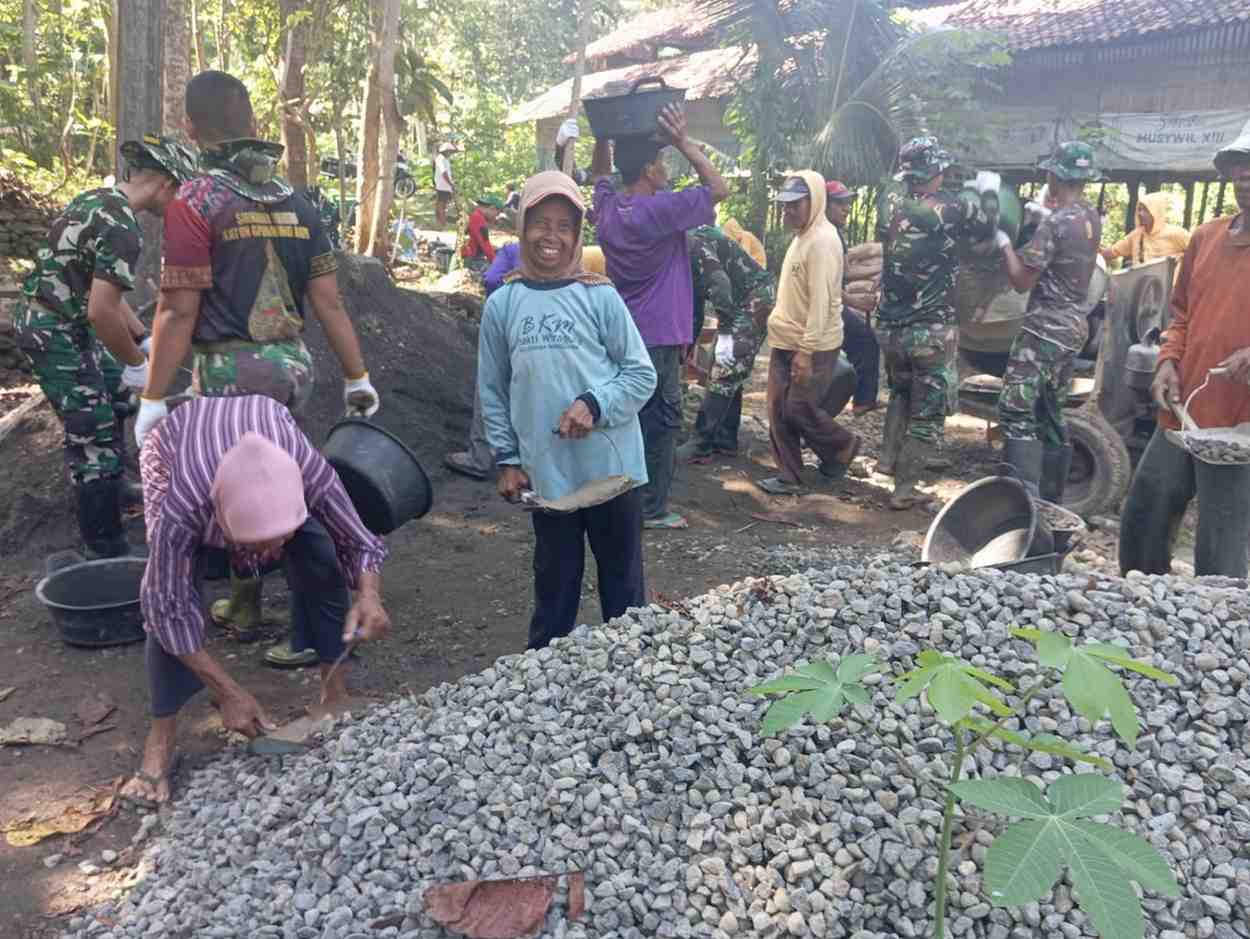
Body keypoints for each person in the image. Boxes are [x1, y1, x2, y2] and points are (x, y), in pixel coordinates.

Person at [140, 70, 380, 668]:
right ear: (252, 124)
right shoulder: (298, 200)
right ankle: (276, 615)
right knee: (281, 488)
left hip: (228, 378)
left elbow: (176, 309)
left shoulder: (195, 202)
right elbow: (328, 302)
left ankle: (307, 633)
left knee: (241, 494)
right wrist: (357, 377)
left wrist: (152, 399)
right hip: (293, 369)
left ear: (191, 129)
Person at [120, 394, 390, 805]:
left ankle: (335, 697)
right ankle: (160, 741)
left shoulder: (309, 471)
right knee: (173, 591)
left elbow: (356, 538)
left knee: (320, 558)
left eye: (280, 540)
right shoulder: (183, 506)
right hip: (175, 449)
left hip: (266, 428)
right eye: (254, 546)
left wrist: (369, 595)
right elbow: (165, 609)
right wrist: (227, 691)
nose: (270, 556)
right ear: (222, 524)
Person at [478, 172, 657, 649]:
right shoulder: (504, 304)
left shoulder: (599, 296)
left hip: (611, 470)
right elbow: (492, 389)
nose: (550, 236)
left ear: (578, 235)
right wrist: (507, 459)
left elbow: (642, 374)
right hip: (549, 474)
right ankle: (539, 683)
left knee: (625, 595)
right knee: (555, 589)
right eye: (540, 223)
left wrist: (594, 404)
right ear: (522, 228)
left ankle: (636, 677)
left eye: (563, 226)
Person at [14, 135, 197, 558]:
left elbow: (109, 299)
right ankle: (104, 545)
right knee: (92, 429)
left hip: (62, 317)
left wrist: (140, 338)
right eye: (180, 193)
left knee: (115, 395)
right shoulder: (122, 228)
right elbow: (100, 312)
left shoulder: (98, 199)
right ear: (167, 185)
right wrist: (136, 364)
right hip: (53, 327)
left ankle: (113, 487)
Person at [590, 103, 729, 529]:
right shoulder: (662, 210)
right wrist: (684, 141)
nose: (667, 166)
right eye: (662, 160)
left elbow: (600, 176)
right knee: (663, 417)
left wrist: (602, 135)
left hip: (621, 329)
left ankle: (614, 495)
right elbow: (719, 189)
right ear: (650, 170)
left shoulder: (609, 208)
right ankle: (651, 509)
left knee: (622, 413)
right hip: (660, 335)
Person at [1119, 132, 1250, 577]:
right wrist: (1168, 361)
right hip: (1185, 409)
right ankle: (1136, 601)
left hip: (1240, 427)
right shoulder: (1207, 237)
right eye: (1239, 163)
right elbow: (1182, 315)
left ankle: (1216, 626)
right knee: (1146, 512)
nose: (1245, 174)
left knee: (1222, 541)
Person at [876, 136, 999, 508]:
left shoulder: (890, 204)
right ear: (936, 172)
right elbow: (989, 229)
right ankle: (904, 489)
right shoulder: (953, 209)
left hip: (889, 328)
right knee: (927, 412)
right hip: (929, 329)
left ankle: (887, 461)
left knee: (900, 390)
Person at [993, 142, 1102, 500]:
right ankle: (1050, 501)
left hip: (1044, 330)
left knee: (1015, 407)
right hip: (1073, 329)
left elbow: (1022, 280)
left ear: (1055, 176)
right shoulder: (1090, 216)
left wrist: (1005, 244)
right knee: (1050, 411)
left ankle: (1018, 499)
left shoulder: (1055, 223)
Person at [757, 173, 861, 495]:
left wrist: (806, 351)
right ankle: (789, 475)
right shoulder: (802, 236)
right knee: (777, 408)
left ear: (814, 201)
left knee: (797, 408)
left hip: (812, 343)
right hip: (786, 338)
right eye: (785, 206)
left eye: (795, 206)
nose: (788, 212)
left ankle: (843, 446)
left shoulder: (822, 242)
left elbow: (823, 303)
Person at [677, 225, 775, 462]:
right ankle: (725, 438)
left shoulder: (690, 243)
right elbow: (696, 304)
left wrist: (726, 334)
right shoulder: (678, 248)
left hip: (754, 297)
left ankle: (701, 444)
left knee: (725, 366)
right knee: (725, 366)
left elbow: (720, 285)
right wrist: (687, 346)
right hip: (738, 301)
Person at [443, 239, 523, 480]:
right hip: (543, 329)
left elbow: (490, 279)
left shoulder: (512, 250)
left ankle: (480, 457)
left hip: (504, 324)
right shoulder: (565, 255)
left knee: (489, 385)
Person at [826, 179, 882, 415]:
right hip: (828, 305)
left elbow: (846, 271)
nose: (847, 208)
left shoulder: (835, 233)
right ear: (825, 205)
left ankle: (863, 400)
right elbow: (825, 283)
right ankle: (862, 400)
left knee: (865, 341)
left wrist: (884, 267)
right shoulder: (826, 236)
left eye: (847, 203)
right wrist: (855, 301)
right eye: (840, 203)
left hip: (834, 303)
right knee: (864, 341)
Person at [1100, 190, 1190, 273]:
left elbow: (1197, 251)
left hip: (1170, 288)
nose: (1140, 213)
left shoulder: (1176, 233)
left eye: (1145, 210)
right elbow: (1112, 252)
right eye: (1139, 209)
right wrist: (1092, 248)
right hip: (1143, 287)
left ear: (1156, 212)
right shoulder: (1136, 235)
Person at [462, 195, 504, 271]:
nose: (495, 218)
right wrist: (497, 265)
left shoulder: (475, 215)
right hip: (470, 259)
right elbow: (485, 245)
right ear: (492, 208)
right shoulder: (478, 218)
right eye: (496, 214)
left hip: (471, 255)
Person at [434, 143, 457, 227]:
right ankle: (442, 223)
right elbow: (444, 173)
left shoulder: (444, 159)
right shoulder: (441, 159)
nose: (450, 154)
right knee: (441, 206)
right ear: (446, 152)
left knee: (441, 205)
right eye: (449, 152)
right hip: (443, 186)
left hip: (443, 186)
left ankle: (440, 222)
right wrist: (451, 184)